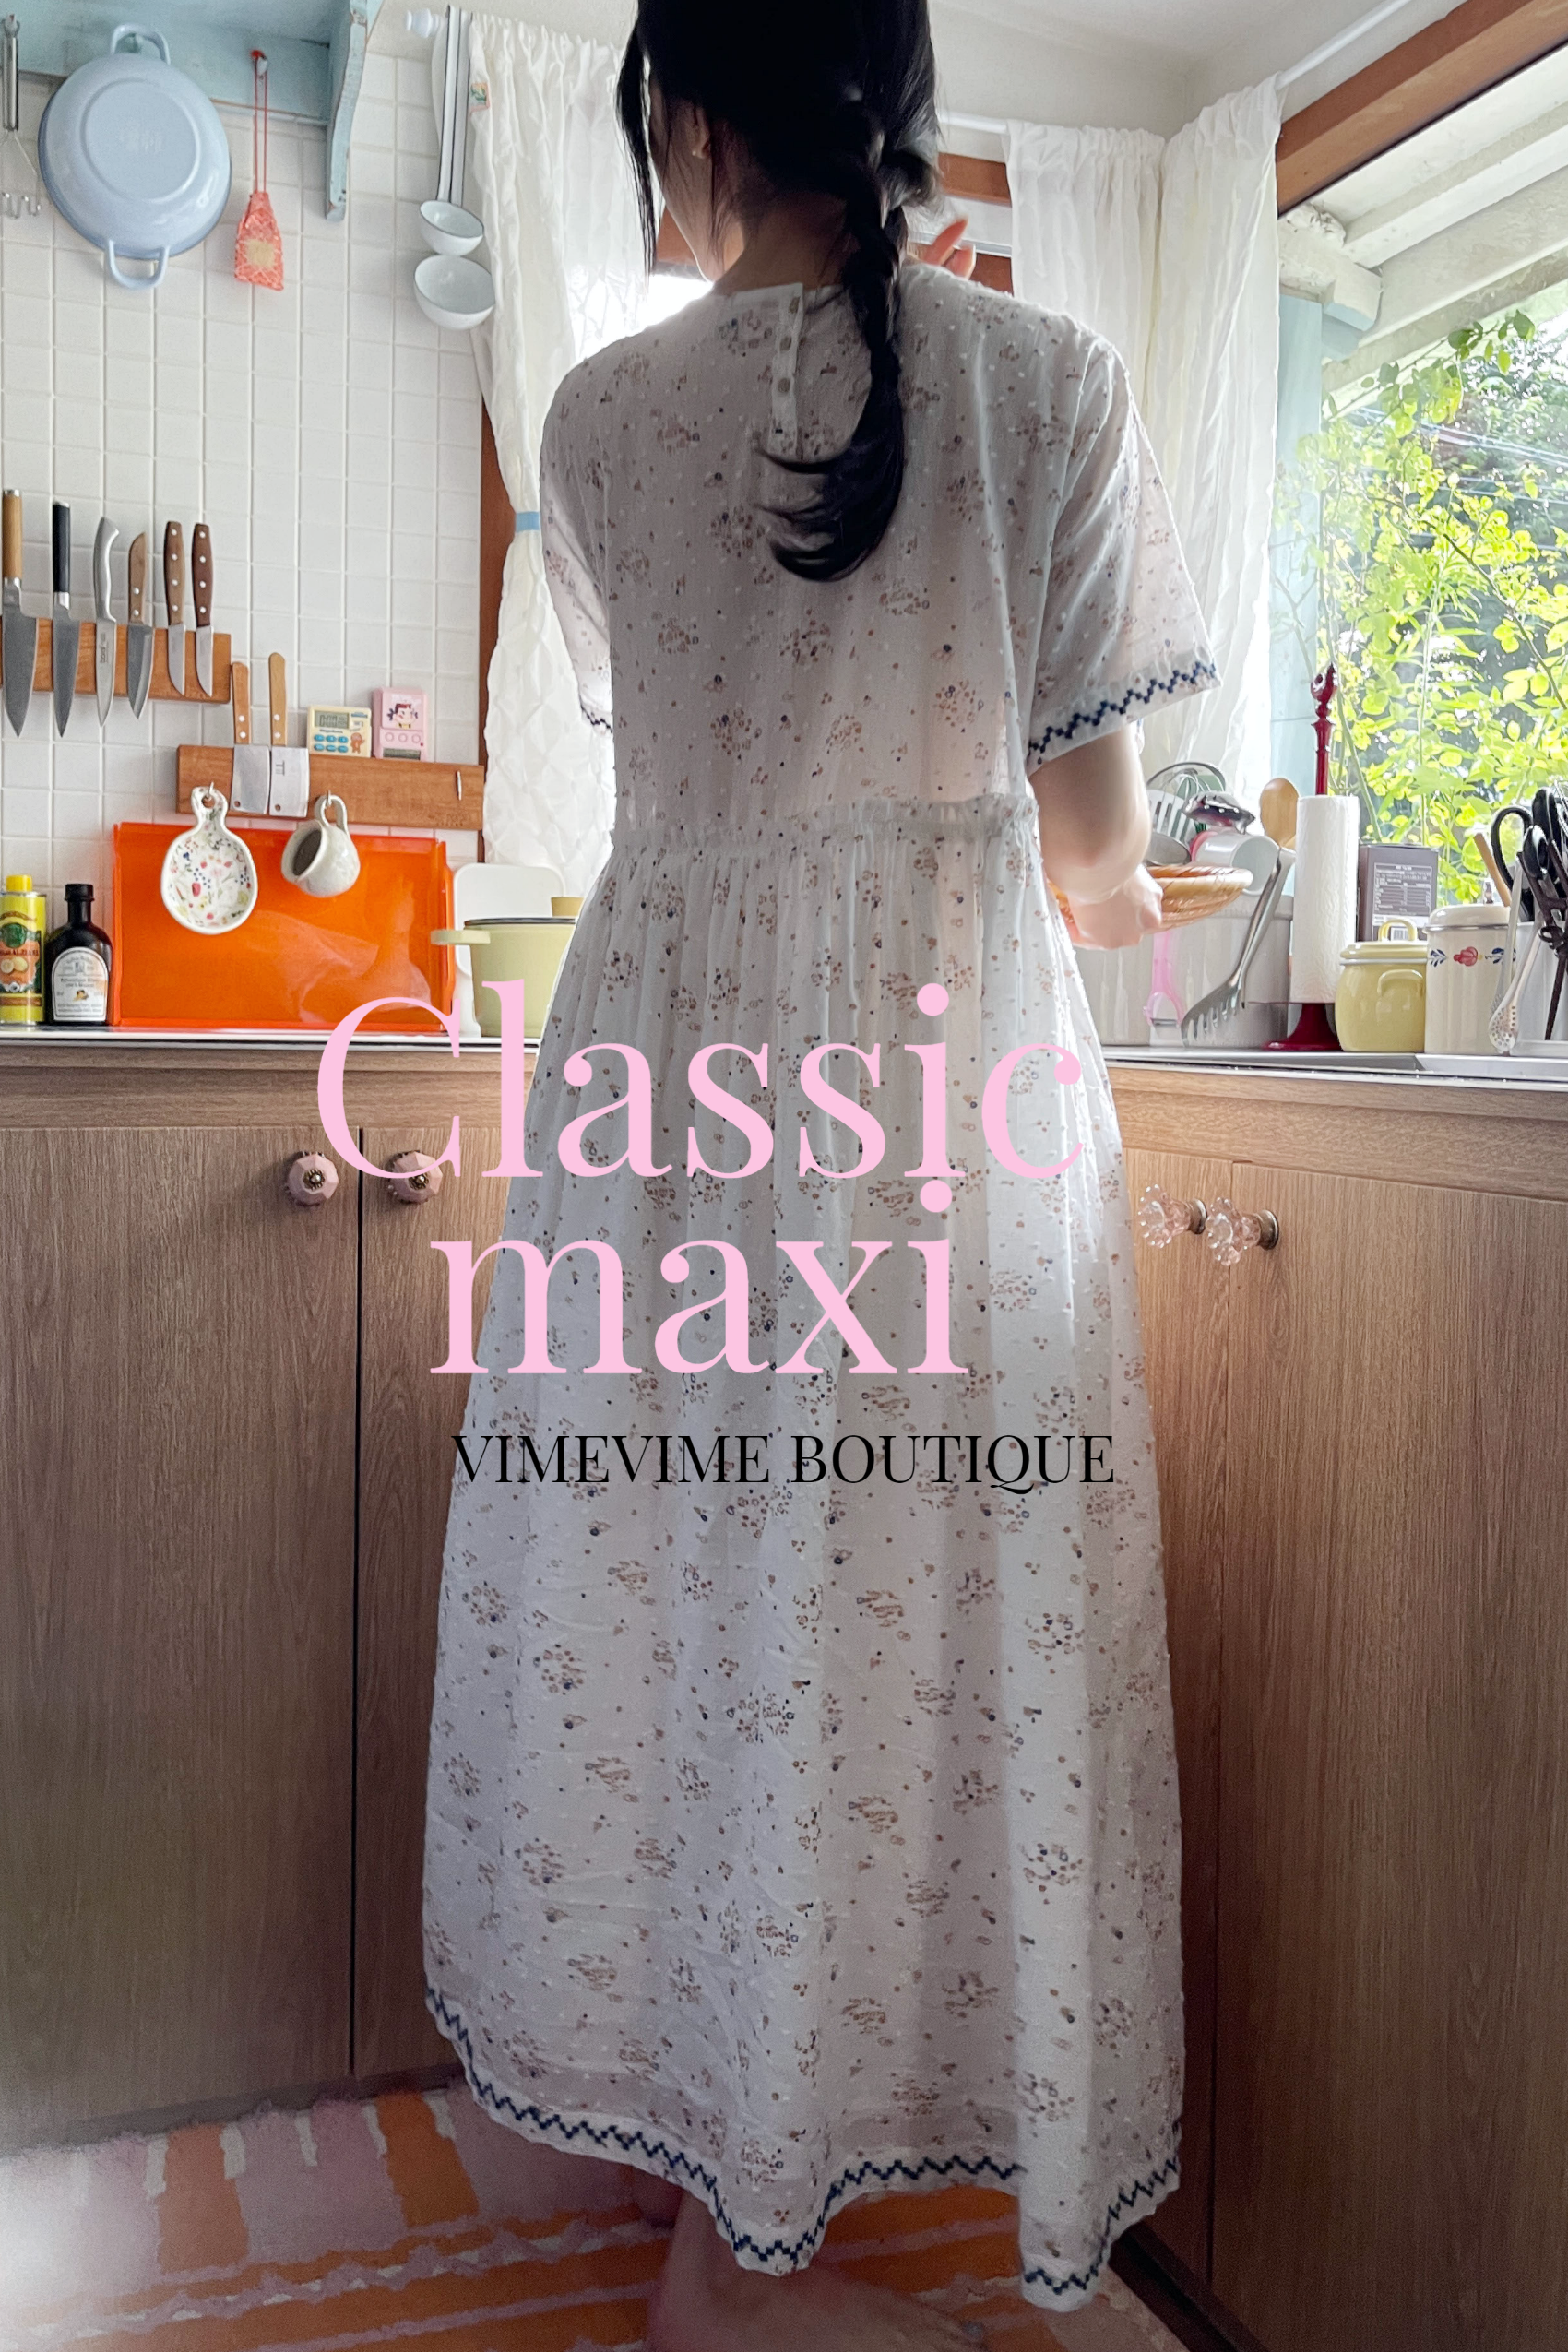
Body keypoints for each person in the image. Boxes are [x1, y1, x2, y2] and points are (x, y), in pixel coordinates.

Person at [423, 4, 1217, 2345]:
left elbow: (683, 758)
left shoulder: (596, 417)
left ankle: (706, 2176)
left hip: (663, 1106)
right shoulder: (1047, 384)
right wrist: (1129, 902)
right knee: (912, 1615)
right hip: (937, 1113)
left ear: (683, 116)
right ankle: (759, 2250)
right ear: (902, 113)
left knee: (678, 1598)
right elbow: (1092, 850)